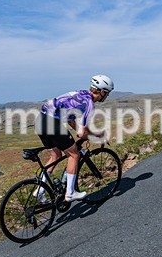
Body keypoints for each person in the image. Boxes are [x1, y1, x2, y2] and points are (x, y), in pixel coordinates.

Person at [35, 74, 114, 202]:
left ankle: (40, 190)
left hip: (41, 120)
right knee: (74, 156)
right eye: (108, 93)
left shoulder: (80, 94)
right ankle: (70, 193)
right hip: (52, 123)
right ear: (102, 92)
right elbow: (82, 134)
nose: (107, 96)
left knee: (55, 156)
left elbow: (72, 122)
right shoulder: (89, 104)